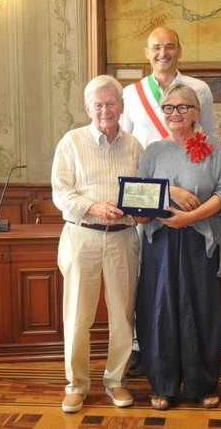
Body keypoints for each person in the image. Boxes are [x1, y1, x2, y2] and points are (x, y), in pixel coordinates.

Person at [120, 26, 220, 376]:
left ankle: (193, 365)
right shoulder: (130, 94)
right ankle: (141, 348)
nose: (163, 53)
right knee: (149, 285)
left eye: (170, 47)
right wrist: (158, 193)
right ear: (146, 53)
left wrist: (198, 196)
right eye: (156, 48)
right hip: (148, 203)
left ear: (180, 50)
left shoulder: (199, 90)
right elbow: (127, 151)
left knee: (193, 295)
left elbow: (210, 139)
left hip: (194, 204)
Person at [134, 83, 221, 410]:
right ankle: (163, 386)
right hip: (159, 244)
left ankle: (202, 384)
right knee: (159, 311)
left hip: (199, 243)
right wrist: (171, 192)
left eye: (182, 108)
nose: (174, 114)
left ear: (195, 113)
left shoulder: (213, 149)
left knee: (201, 312)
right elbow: (138, 198)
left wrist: (189, 219)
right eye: (169, 108)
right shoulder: (152, 152)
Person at [51, 75, 143, 413]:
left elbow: (143, 191)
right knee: (77, 316)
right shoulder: (71, 142)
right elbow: (60, 192)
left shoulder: (134, 145)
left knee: (123, 316)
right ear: (87, 108)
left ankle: (115, 381)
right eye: (98, 104)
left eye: (111, 103)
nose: (105, 110)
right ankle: (77, 385)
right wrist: (93, 207)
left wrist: (144, 212)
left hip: (123, 239)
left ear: (121, 107)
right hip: (82, 236)